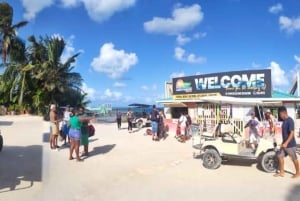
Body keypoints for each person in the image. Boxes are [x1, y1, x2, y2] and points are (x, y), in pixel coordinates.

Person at [274, 106, 300, 178]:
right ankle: (282, 172)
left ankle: (298, 173)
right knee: (279, 156)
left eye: (280, 114)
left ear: (284, 113)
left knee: (294, 158)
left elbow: (292, 133)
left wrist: (286, 143)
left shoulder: (290, 120)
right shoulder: (284, 121)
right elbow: (285, 134)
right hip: (284, 144)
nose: (280, 116)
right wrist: (283, 142)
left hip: (290, 145)